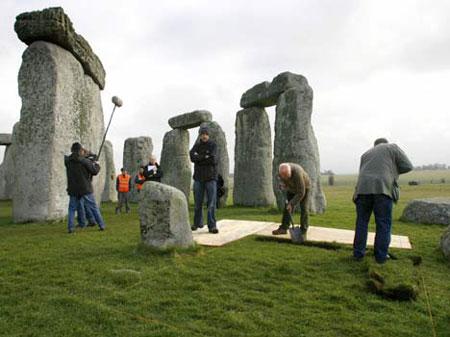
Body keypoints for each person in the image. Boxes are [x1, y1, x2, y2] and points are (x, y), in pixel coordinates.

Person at [353, 138, 413, 264]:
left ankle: (358, 254)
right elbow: (408, 166)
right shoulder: (392, 147)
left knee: (361, 222)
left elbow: (361, 173)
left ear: (374, 145)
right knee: (383, 224)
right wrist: (392, 171)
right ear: (385, 142)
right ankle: (380, 256)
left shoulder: (365, 154)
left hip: (362, 190)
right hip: (383, 189)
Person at [65, 142, 106, 233]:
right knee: (93, 207)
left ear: (72, 150)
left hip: (73, 189)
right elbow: (94, 171)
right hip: (85, 188)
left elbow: (72, 158)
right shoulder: (84, 161)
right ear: (80, 150)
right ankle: (101, 225)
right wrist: (97, 164)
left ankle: (70, 228)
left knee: (71, 209)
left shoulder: (67, 161)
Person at [189, 126, 219, 234]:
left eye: (205, 134)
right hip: (198, 177)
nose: (204, 136)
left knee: (211, 203)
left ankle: (212, 226)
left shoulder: (213, 145)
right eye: (202, 134)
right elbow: (192, 157)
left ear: (208, 135)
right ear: (200, 135)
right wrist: (205, 157)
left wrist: (199, 158)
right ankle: (197, 223)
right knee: (198, 203)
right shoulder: (196, 146)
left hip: (210, 178)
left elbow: (213, 159)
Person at [272, 163, 310, 236]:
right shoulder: (281, 172)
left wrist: (291, 203)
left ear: (290, 172)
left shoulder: (297, 173)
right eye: (283, 176)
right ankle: (283, 228)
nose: (285, 178)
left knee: (304, 208)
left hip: (304, 188)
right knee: (287, 208)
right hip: (291, 188)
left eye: (287, 176)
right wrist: (282, 185)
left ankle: (303, 230)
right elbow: (280, 182)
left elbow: (301, 192)